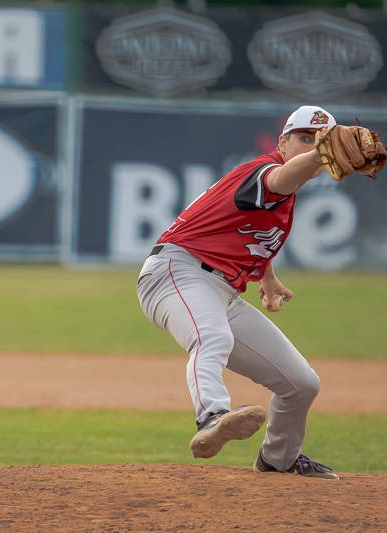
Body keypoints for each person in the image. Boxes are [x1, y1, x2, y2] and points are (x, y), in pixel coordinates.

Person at [136, 105, 339, 480]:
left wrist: (266, 276)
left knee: (301, 383)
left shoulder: (283, 196)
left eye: (322, 142)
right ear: (282, 141)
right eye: (305, 139)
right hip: (176, 273)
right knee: (212, 337)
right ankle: (212, 415)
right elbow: (279, 179)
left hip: (219, 290)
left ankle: (278, 459)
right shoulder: (264, 171)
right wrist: (325, 152)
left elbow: (244, 231)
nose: (313, 147)